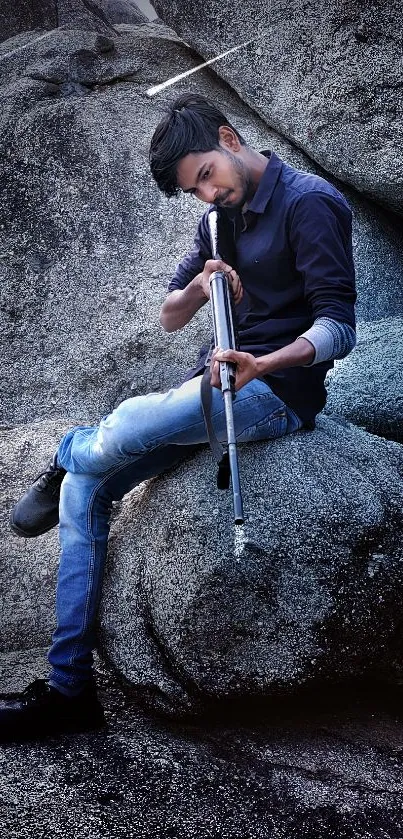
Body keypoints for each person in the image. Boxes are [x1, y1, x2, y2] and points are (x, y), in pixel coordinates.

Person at [0, 93, 356, 740]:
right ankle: (68, 690)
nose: (206, 195)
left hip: (275, 394)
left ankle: (66, 449)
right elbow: (169, 316)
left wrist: (263, 363)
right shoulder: (216, 222)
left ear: (227, 137)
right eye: (195, 189)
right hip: (211, 385)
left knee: (121, 429)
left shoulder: (310, 203)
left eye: (205, 176)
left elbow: (339, 327)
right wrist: (197, 287)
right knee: (87, 489)